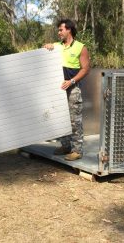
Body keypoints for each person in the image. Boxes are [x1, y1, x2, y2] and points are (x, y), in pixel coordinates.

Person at [44, 19, 90, 161]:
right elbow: (46, 50)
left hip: (73, 89)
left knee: (74, 121)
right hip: (58, 91)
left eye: (61, 30)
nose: (58, 33)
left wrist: (72, 81)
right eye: (58, 30)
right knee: (60, 118)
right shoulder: (57, 46)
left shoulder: (80, 47)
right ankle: (65, 146)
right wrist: (47, 46)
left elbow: (86, 69)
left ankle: (77, 150)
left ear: (69, 30)